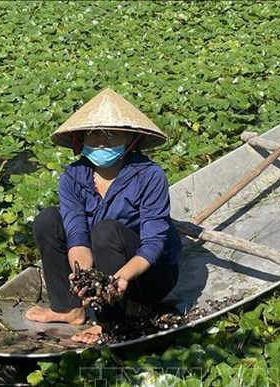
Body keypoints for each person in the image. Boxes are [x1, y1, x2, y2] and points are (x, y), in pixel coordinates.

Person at [25, 88, 182, 344]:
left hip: (147, 275)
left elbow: (154, 244)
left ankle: (111, 321)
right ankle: (70, 309)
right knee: (48, 219)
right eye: (92, 133)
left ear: (131, 139)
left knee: (106, 230)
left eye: (111, 134)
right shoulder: (73, 177)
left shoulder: (149, 175)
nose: (100, 141)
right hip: (102, 261)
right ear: (81, 138)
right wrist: (85, 277)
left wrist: (120, 279)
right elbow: (76, 235)